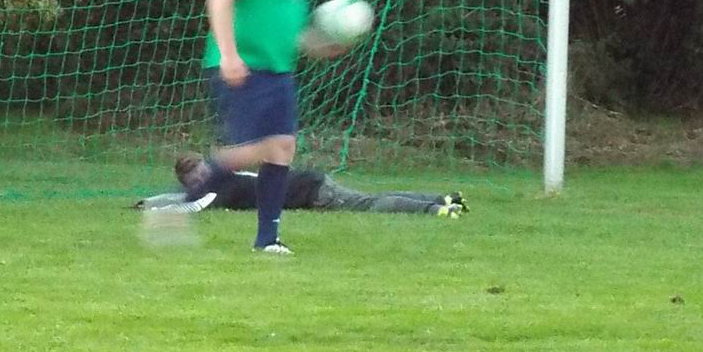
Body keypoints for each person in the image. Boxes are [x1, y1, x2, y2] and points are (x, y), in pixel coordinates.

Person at [179, 0, 347, 255]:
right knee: (255, 149)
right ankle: (183, 199)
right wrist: (228, 54)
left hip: (278, 71)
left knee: (282, 148)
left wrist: (323, 46)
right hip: (243, 66)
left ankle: (267, 240)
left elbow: (294, 30)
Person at [138, 153, 466, 216]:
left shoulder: (219, 187)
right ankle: (443, 199)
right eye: (194, 179)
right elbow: (185, 196)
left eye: (201, 173)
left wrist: (157, 210)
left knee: (368, 205)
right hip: (310, 184)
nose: (201, 180)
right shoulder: (222, 179)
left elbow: (195, 205)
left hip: (311, 190)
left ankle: (435, 209)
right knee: (370, 199)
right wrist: (150, 201)